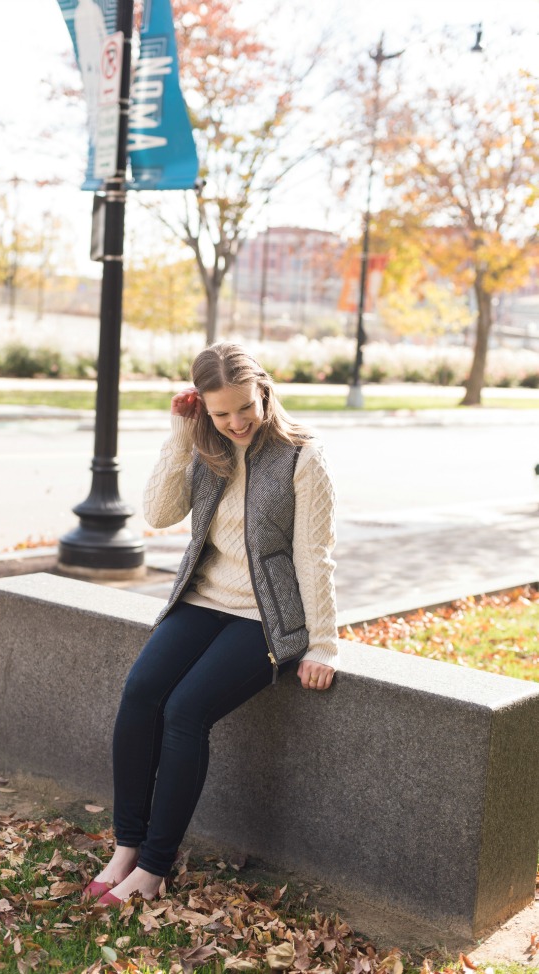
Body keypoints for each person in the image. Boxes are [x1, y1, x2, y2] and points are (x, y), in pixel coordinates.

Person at [83, 342, 338, 907]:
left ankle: (153, 866)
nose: (237, 422)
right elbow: (157, 512)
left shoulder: (302, 456)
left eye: (245, 407)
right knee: (140, 694)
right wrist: (181, 435)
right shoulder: (206, 446)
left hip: (266, 616)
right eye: (221, 413)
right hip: (203, 598)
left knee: (184, 711)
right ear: (203, 408)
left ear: (264, 391)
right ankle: (127, 845)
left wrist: (322, 644)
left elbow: (314, 554)